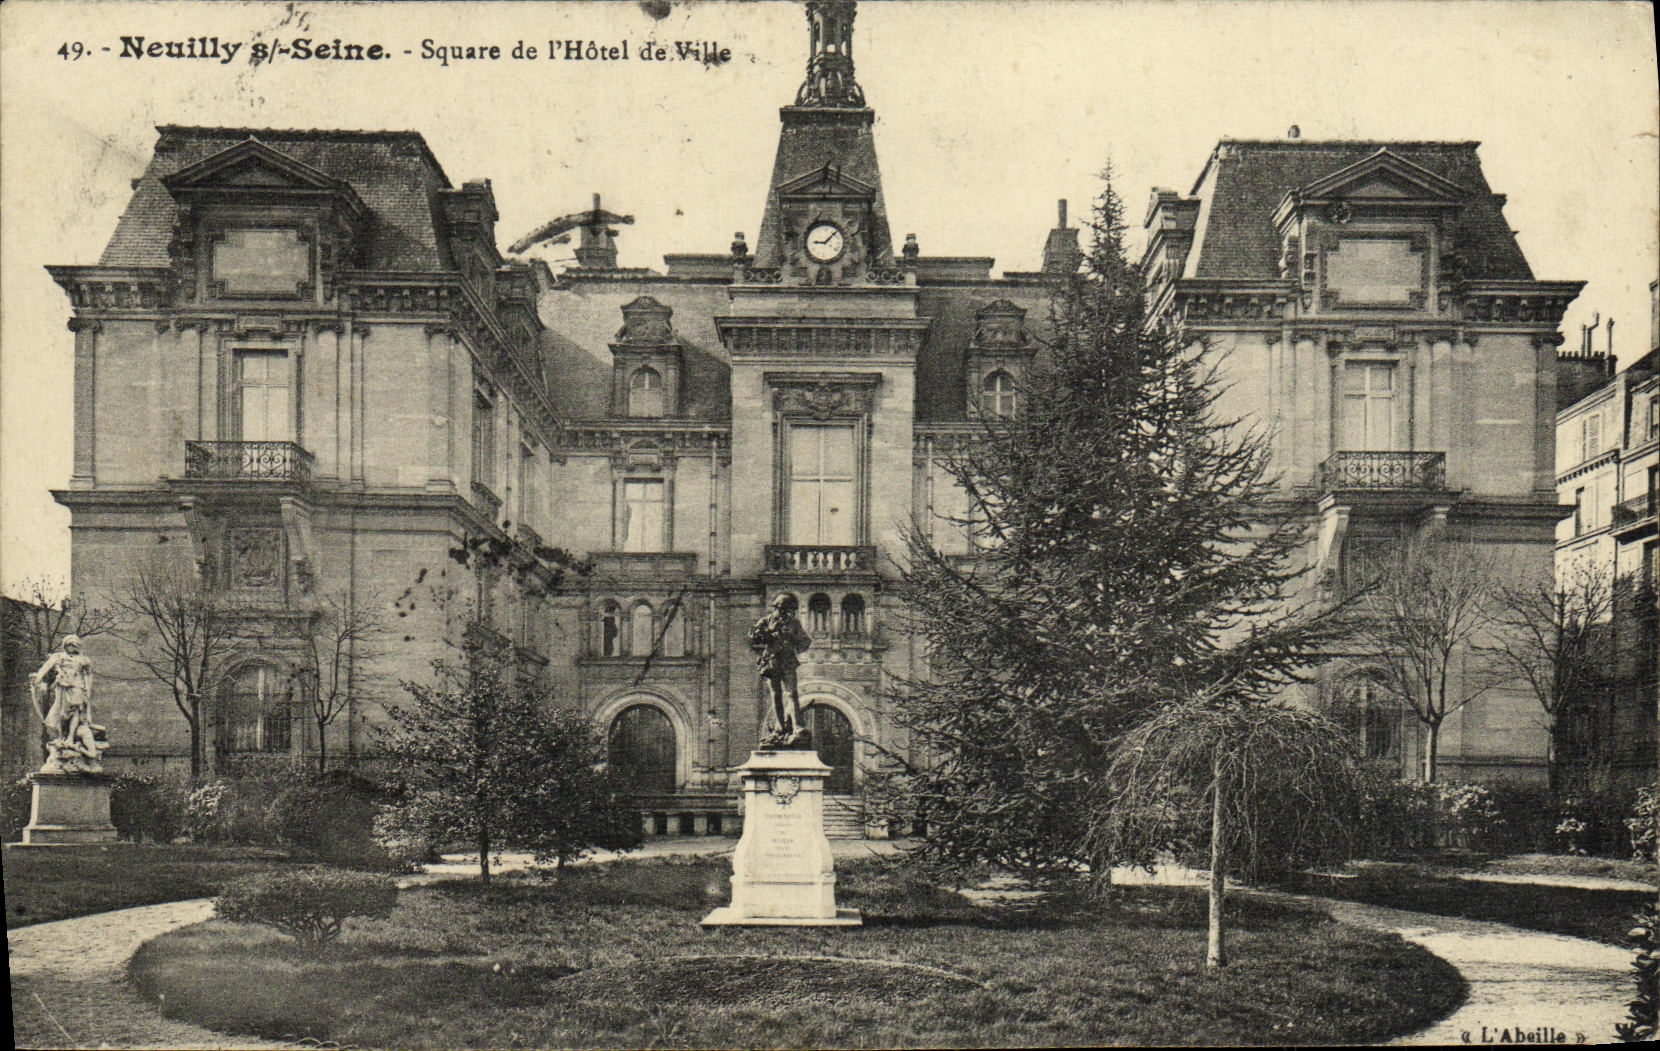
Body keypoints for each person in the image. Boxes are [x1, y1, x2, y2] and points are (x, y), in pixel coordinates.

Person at [749, 594, 812, 748]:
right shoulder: (766, 621)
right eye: (784, 608)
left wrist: (794, 641)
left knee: (792, 693)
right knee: (776, 695)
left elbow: (805, 641)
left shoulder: (794, 622)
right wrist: (766, 635)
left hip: (788, 661)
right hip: (772, 662)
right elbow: (753, 636)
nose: (787, 611)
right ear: (778, 606)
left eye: (789, 608)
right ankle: (780, 728)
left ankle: (798, 728)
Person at [32, 634, 95, 745]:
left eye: (74, 644)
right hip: (62, 687)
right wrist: (38, 677)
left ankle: (70, 737)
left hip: (77, 687)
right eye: (69, 644)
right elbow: (46, 667)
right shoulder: (58, 657)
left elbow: (88, 675)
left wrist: (88, 689)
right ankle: (62, 736)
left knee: (75, 712)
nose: (72, 647)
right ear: (65, 645)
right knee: (62, 714)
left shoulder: (84, 660)